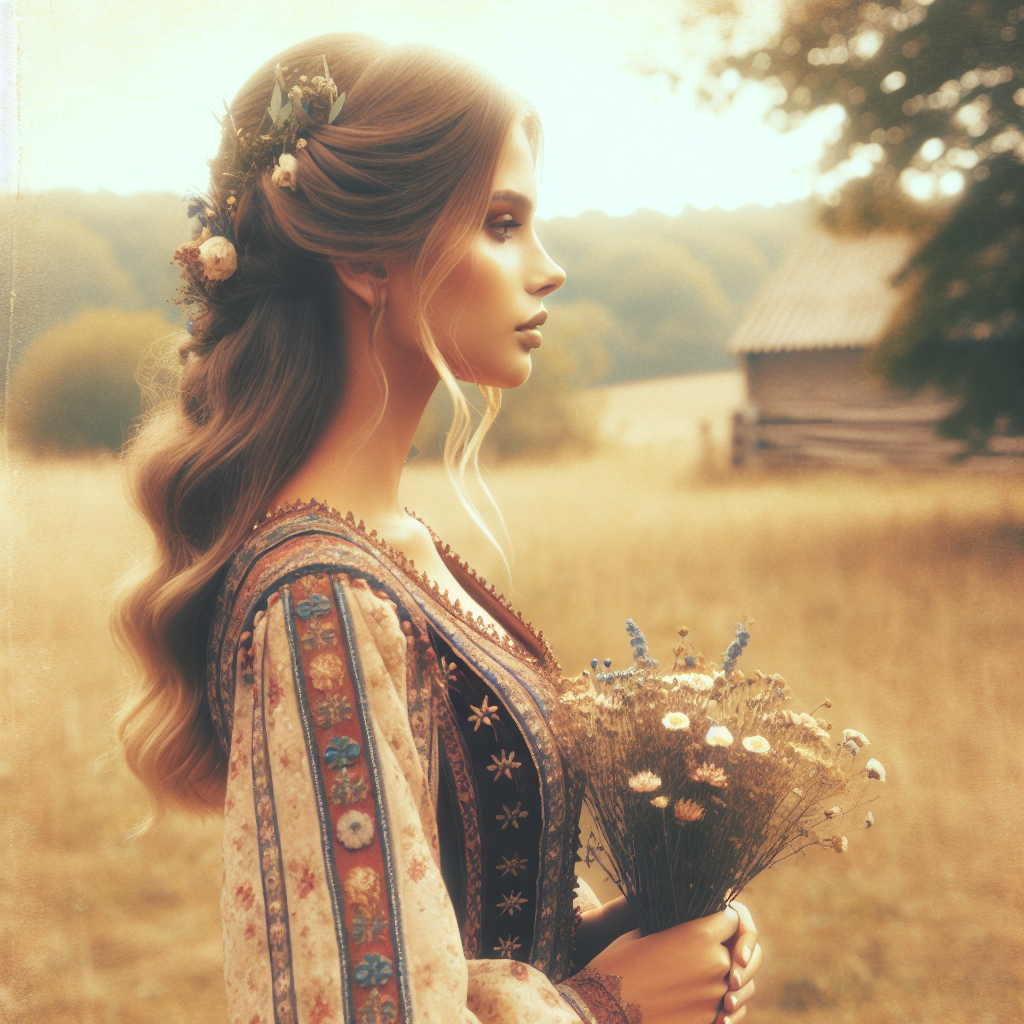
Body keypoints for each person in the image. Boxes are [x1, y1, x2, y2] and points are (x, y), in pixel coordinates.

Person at [114, 33, 763, 1024]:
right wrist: (610, 1005)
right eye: (502, 223)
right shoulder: (316, 599)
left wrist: (648, 929)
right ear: (370, 258)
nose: (547, 270)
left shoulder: (392, 549)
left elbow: (464, 898)